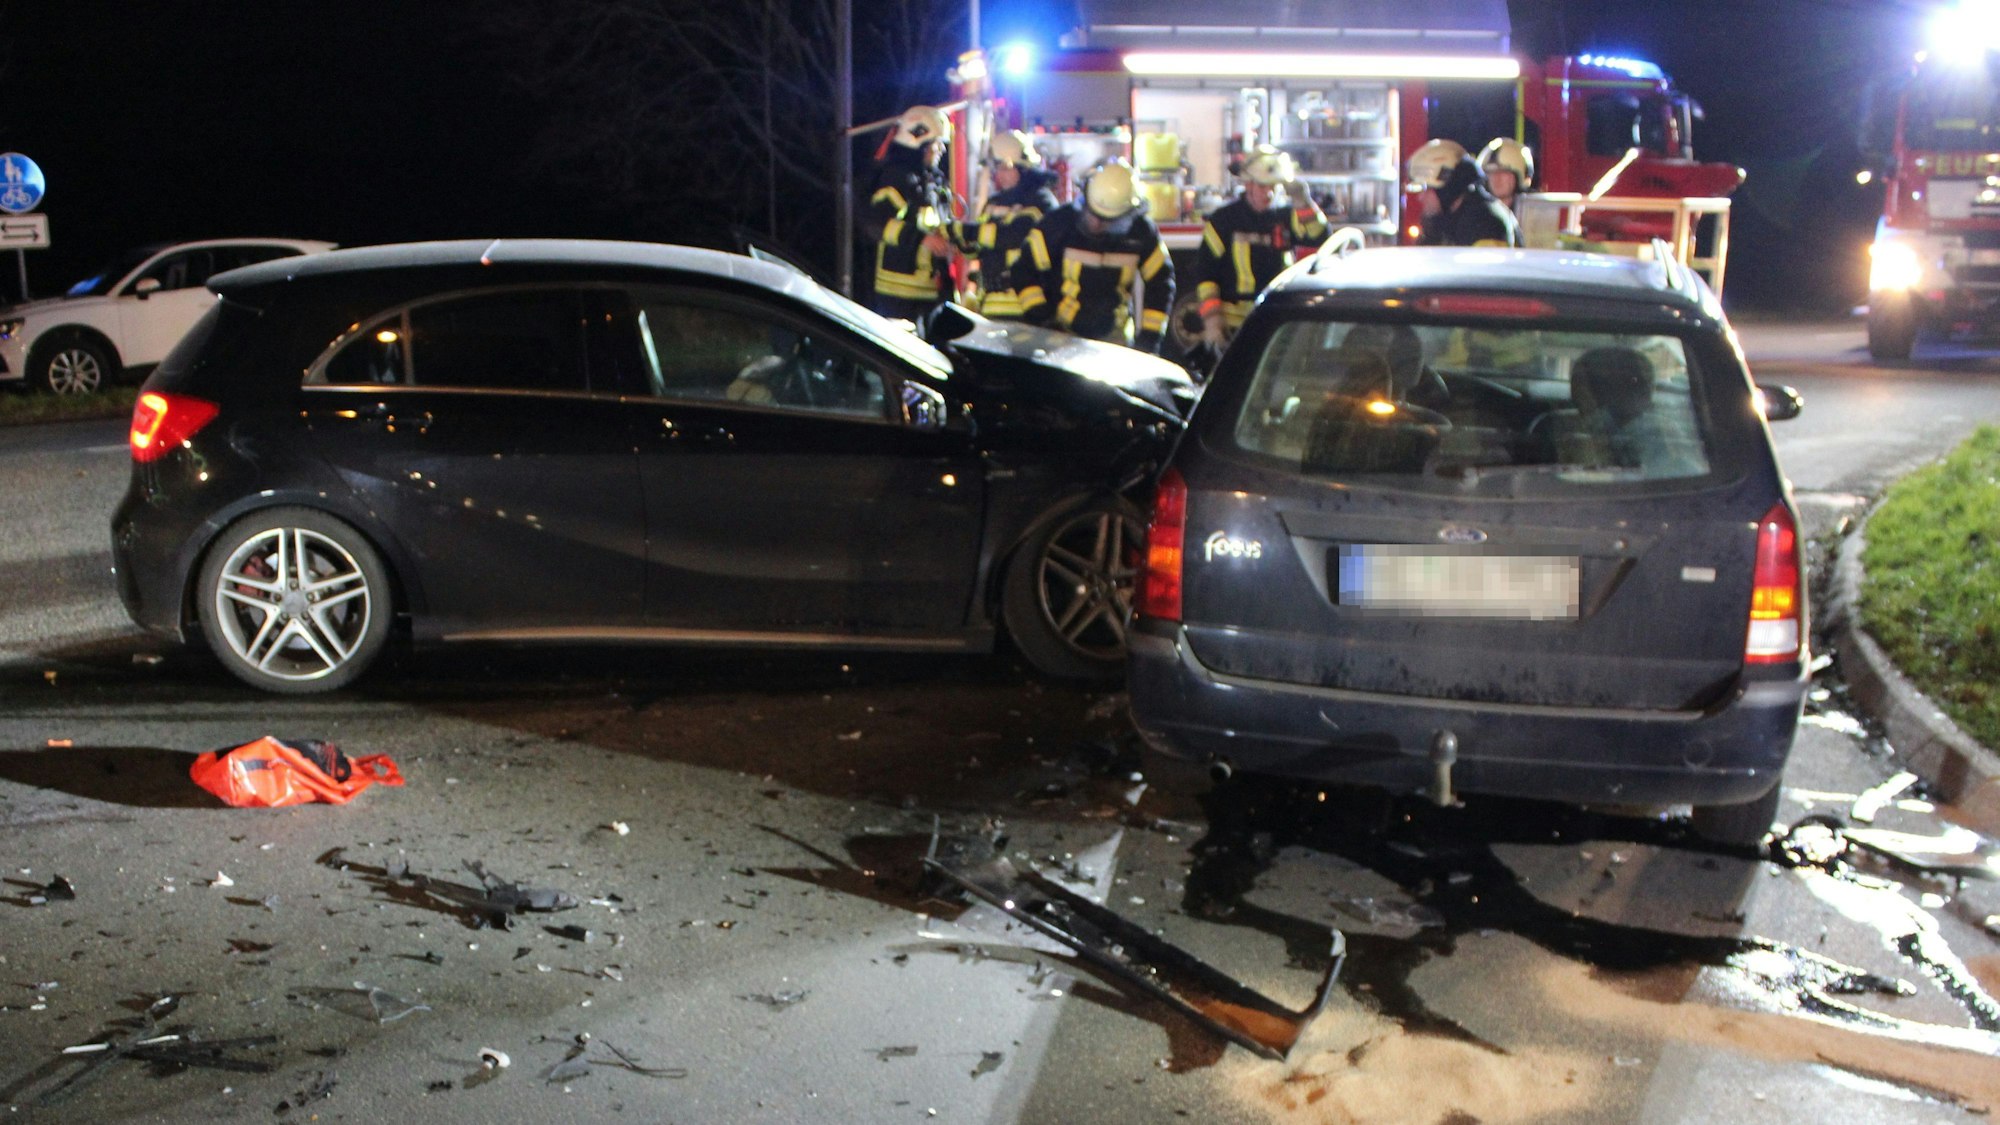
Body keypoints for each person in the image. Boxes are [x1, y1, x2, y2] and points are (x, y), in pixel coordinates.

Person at [1012, 159, 1176, 352]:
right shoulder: (1059, 224)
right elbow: (1023, 270)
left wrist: (1150, 338)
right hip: (1061, 338)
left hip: (1114, 343)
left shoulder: (1141, 233)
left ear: (1128, 214)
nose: (1096, 224)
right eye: (1093, 213)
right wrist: (1042, 318)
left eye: (1106, 219)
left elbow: (1161, 284)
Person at [1194, 145, 1329, 350]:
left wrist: (1304, 203)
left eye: (1274, 186)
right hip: (1235, 326)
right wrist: (1213, 322)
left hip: (1276, 321)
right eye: (1263, 186)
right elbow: (1205, 272)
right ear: (1248, 184)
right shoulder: (1224, 220)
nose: (1269, 192)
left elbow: (1319, 237)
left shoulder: (1286, 215)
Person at [950, 129, 1059, 320]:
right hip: (991, 305)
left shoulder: (1041, 201)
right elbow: (977, 248)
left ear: (1023, 168)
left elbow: (1014, 235)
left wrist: (967, 231)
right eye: (998, 167)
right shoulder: (994, 202)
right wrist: (961, 240)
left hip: (1026, 305)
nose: (1000, 174)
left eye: (1006, 167)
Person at [868, 105, 957, 322]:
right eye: (937, 144)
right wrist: (923, 239)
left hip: (929, 292)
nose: (941, 150)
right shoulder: (897, 179)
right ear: (919, 142)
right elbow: (877, 224)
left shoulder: (932, 184)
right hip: (899, 296)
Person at [1407, 139, 1520, 248]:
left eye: (1427, 188)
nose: (1421, 197)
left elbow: (1485, 267)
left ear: (1446, 190)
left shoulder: (1486, 225)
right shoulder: (1447, 220)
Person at [1476, 137, 1534, 213]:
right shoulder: (1474, 215)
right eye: (1491, 173)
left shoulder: (1536, 213)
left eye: (1504, 172)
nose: (1497, 178)